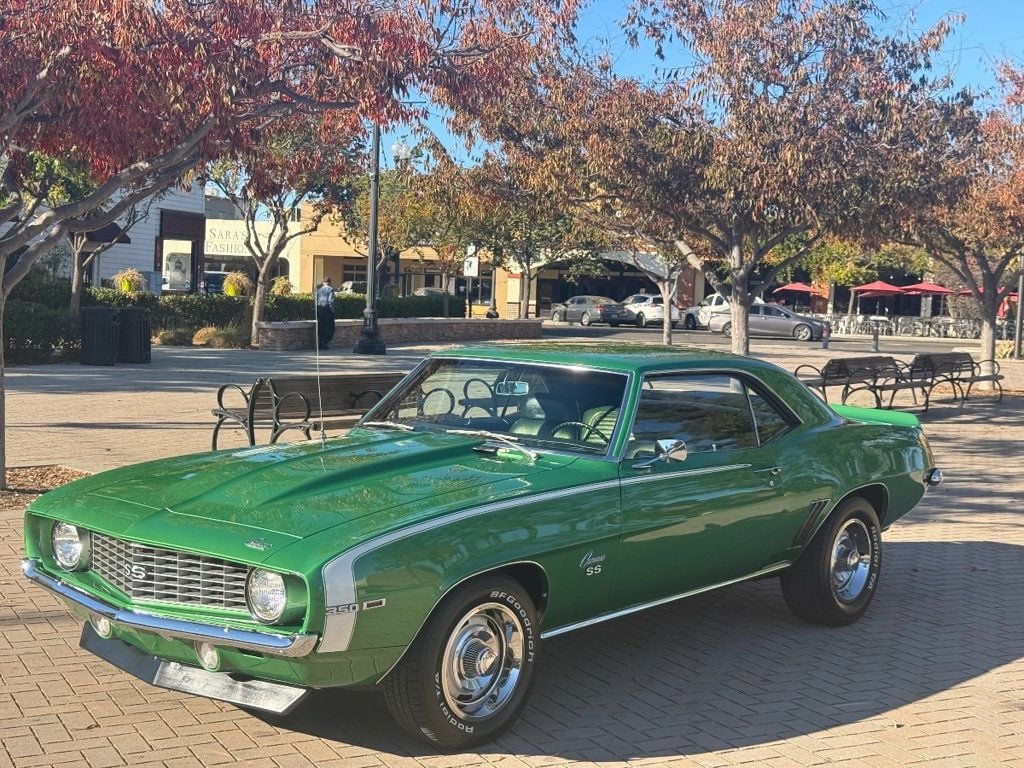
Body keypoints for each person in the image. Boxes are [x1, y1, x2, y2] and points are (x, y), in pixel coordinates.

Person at [316, 277, 337, 349]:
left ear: (323, 282)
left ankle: (321, 342)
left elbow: (316, 300)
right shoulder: (330, 289)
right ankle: (324, 342)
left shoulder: (319, 290)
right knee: (330, 327)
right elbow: (331, 301)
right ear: (329, 282)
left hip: (319, 309)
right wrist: (332, 311)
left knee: (321, 326)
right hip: (326, 309)